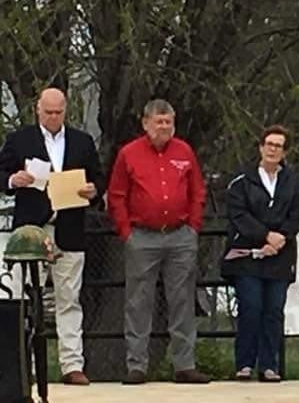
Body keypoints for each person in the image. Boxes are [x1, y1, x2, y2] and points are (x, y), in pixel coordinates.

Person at [0, 88, 104, 385]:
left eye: (59, 112)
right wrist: (13, 180)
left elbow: (98, 178)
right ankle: (25, 366)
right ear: (38, 109)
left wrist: (93, 190)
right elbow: (1, 172)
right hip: (32, 231)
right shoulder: (20, 140)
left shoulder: (82, 142)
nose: (54, 117)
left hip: (69, 228)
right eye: (48, 112)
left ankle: (72, 364)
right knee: (25, 298)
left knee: (69, 298)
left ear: (66, 110)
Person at [107, 99, 210, 384]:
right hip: (142, 236)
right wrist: (126, 232)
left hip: (180, 235)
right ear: (145, 123)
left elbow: (197, 191)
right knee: (139, 301)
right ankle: (137, 365)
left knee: (183, 300)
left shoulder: (184, 151)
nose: (164, 127)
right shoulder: (129, 154)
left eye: (168, 122)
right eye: (159, 122)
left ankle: (184, 365)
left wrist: (193, 226)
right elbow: (116, 195)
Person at [221, 125, 299, 382]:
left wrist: (279, 239)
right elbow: (238, 215)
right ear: (260, 147)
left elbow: (295, 214)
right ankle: (244, 363)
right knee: (251, 307)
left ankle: (269, 365)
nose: (273, 149)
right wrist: (264, 236)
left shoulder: (294, 182)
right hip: (248, 255)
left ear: (285, 151)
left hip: (280, 256)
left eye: (278, 146)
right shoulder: (241, 181)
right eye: (269, 144)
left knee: (273, 311)